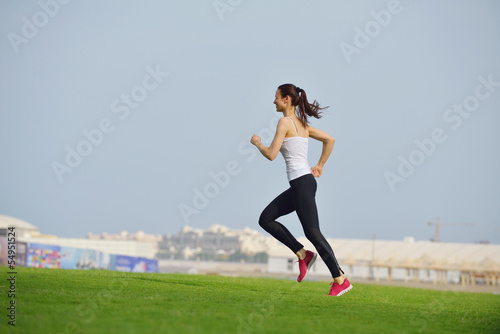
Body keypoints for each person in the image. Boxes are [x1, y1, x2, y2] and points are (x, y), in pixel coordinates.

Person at [250, 83, 352, 296]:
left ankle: (340, 279)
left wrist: (258, 143)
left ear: (286, 99)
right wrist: (320, 165)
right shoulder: (302, 124)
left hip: (302, 183)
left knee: (313, 233)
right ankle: (302, 253)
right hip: (302, 183)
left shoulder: (285, 122)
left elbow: (271, 154)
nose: (274, 101)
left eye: (276, 97)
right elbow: (329, 139)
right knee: (266, 218)